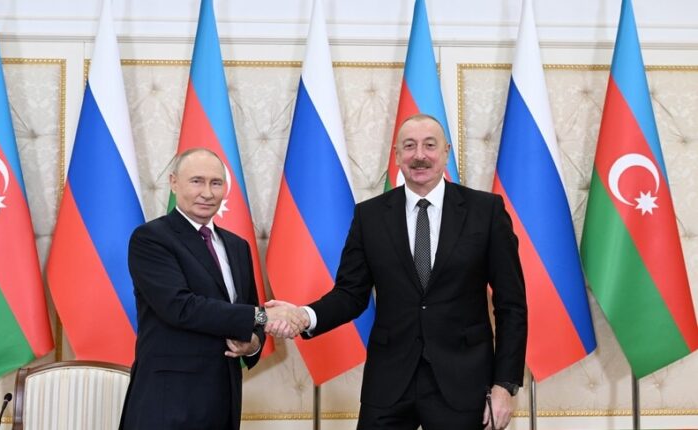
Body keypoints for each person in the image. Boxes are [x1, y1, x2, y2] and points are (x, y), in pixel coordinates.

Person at [267, 114, 528, 430]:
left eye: (429, 145)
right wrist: (303, 316)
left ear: (446, 151)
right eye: (409, 146)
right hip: (389, 382)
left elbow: (511, 305)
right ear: (397, 155)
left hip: (463, 382)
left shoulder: (485, 211)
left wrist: (504, 385)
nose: (420, 155)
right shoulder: (369, 216)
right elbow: (350, 295)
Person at [119, 148, 298, 430]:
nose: (207, 193)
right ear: (174, 182)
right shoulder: (151, 238)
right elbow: (181, 307)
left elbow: (248, 312)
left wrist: (253, 343)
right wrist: (264, 316)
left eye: (216, 183)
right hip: (168, 404)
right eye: (196, 181)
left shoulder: (238, 246)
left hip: (223, 401)